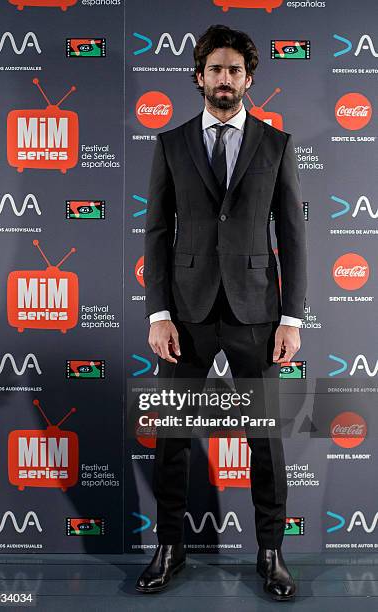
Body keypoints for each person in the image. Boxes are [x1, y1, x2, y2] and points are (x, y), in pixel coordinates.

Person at [135, 24, 307, 601]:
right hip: (184, 313)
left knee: (267, 441)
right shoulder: (171, 143)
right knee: (174, 437)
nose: (225, 79)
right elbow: (156, 232)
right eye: (215, 69)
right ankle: (170, 546)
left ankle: (270, 551)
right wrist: (158, 312)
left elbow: (293, 235)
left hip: (257, 311)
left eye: (234, 70)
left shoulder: (275, 144)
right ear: (199, 77)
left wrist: (292, 318)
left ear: (249, 78)